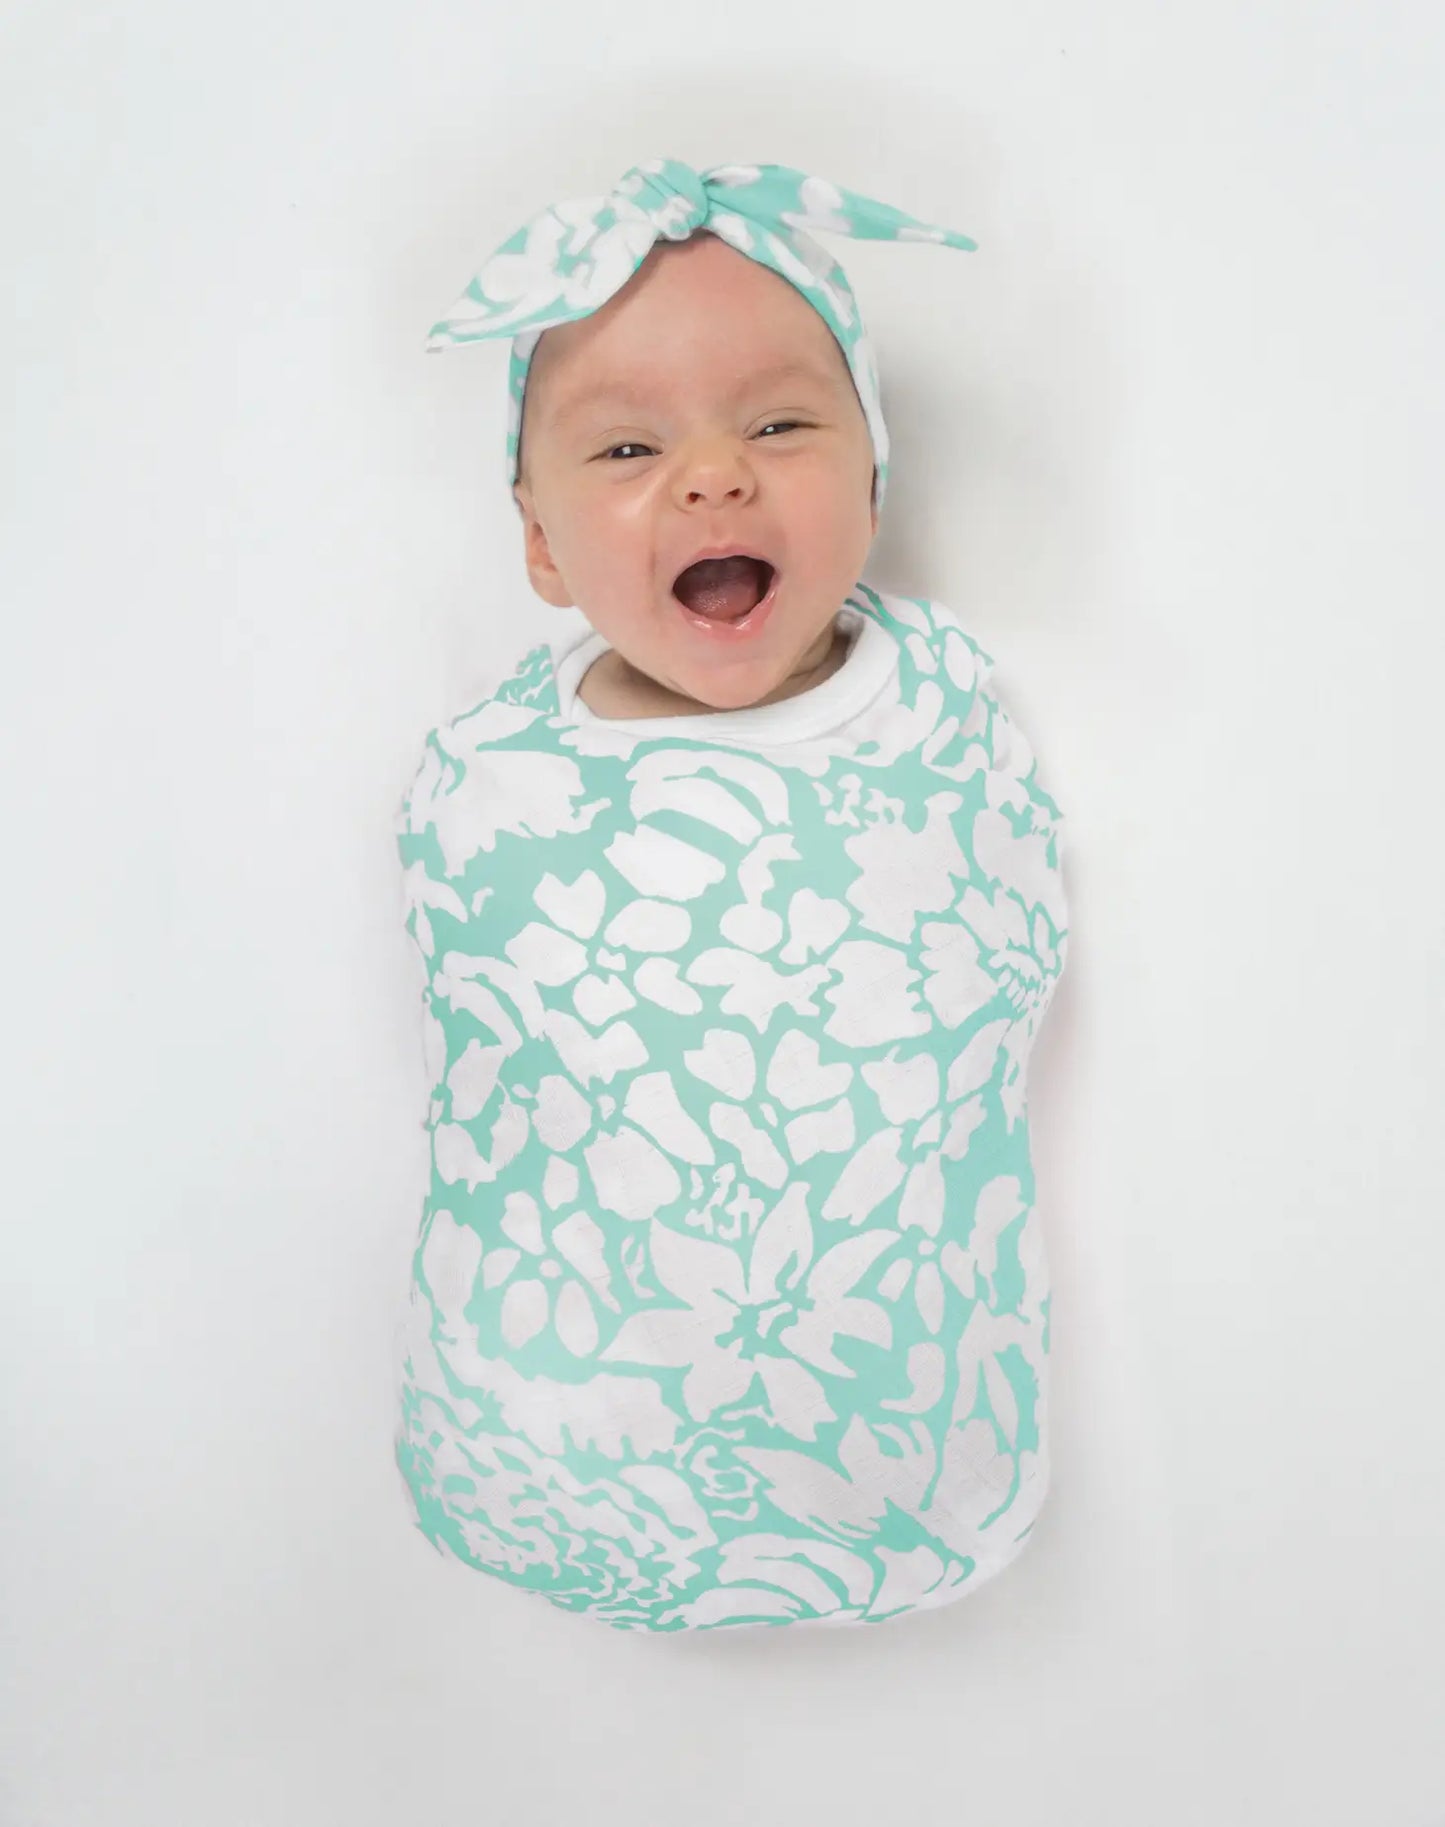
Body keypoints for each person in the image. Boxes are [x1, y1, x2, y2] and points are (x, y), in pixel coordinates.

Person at [393, 158, 1071, 1632]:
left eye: (778, 424)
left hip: (898, 1429)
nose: (712, 475)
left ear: (873, 480)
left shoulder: (938, 706)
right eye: (626, 450)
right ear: (535, 543)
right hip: (559, 1439)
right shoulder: (491, 775)